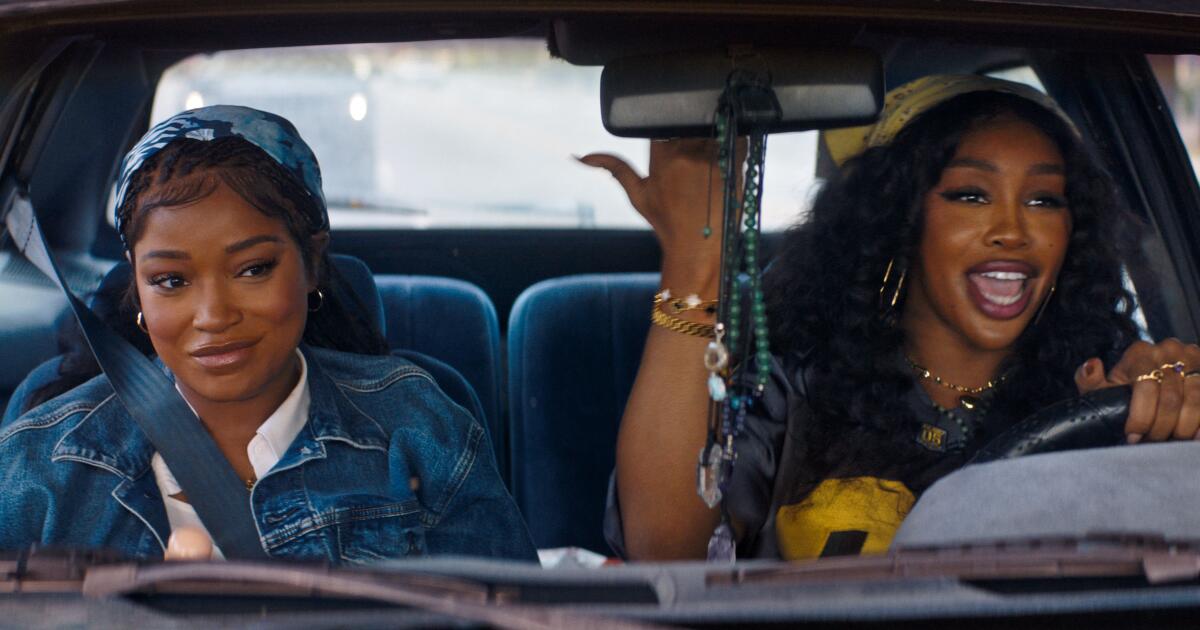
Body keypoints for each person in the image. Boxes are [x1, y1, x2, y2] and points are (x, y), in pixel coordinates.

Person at [581, 75, 1200, 561]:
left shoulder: (1103, 381)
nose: (1013, 230)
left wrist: (1157, 432)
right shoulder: (793, 379)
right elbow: (664, 552)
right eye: (971, 195)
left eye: (1043, 200)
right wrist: (694, 264)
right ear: (898, 221)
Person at [0, 106, 536, 563]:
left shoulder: (416, 429)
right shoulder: (41, 463)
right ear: (138, 289)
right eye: (171, 281)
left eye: (253, 269)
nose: (213, 315)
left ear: (312, 263)